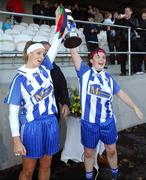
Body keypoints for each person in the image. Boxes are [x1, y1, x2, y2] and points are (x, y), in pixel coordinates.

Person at [4, 6, 67, 180]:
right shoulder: (20, 78)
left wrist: (58, 23)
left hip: (51, 123)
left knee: (47, 163)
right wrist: (16, 139)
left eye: (43, 54)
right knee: (28, 170)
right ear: (29, 54)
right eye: (39, 53)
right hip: (32, 127)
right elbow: (12, 113)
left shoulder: (46, 67)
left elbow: (56, 40)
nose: (42, 56)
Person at [70, 47, 143, 180]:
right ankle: (89, 177)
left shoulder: (109, 79)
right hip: (89, 123)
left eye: (103, 57)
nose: (101, 59)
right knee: (88, 153)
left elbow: (121, 94)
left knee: (112, 150)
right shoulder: (84, 73)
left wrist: (134, 107)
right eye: (98, 57)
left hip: (107, 122)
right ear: (91, 60)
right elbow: (74, 52)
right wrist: (68, 32)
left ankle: (114, 175)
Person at [41, 41, 70, 121]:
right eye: (45, 51)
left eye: (49, 50)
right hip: (37, 116)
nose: (47, 53)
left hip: (54, 113)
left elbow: (63, 88)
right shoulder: (32, 70)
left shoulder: (56, 69)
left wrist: (65, 104)